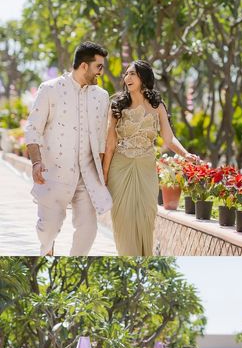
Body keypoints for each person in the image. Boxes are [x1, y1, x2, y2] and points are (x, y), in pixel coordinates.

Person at [25, 41, 112, 256]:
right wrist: (36, 162)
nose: (101, 72)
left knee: (89, 231)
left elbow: (101, 141)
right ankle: (48, 247)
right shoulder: (51, 89)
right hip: (54, 174)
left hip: (87, 176)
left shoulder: (101, 97)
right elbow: (33, 129)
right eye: (98, 67)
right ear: (84, 66)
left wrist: (104, 175)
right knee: (47, 231)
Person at [102, 60, 197, 256]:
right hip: (120, 169)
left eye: (132, 74)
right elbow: (110, 144)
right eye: (126, 74)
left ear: (143, 78)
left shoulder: (157, 106)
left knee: (146, 217)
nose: (127, 78)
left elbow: (169, 139)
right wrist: (103, 176)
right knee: (123, 219)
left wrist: (186, 154)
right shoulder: (117, 106)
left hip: (146, 169)